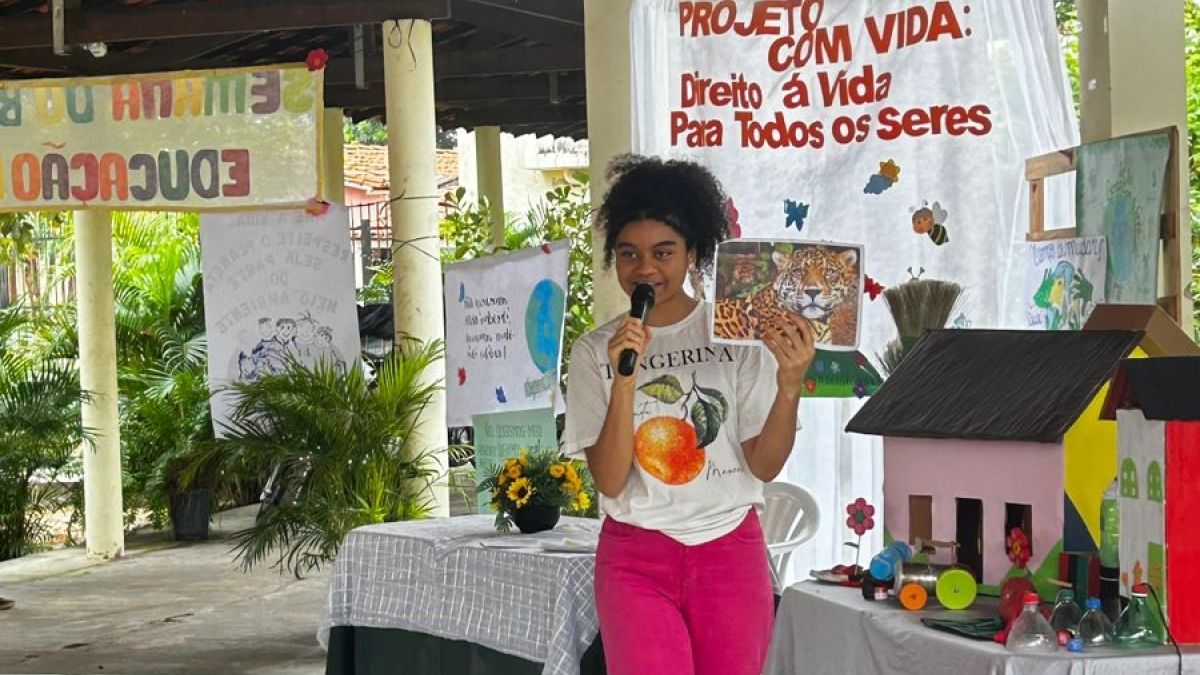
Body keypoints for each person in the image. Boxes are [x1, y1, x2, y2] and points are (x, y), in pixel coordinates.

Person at [563, 155, 815, 675]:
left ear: (693, 253)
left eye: (663, 252)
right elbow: (610, 480)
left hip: (730, 551)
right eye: (628, 253)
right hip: (635, 558)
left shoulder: (736, 337)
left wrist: (789, 386)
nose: (645, 268)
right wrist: (625, 380)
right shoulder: (594, 352)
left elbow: (763, 467)